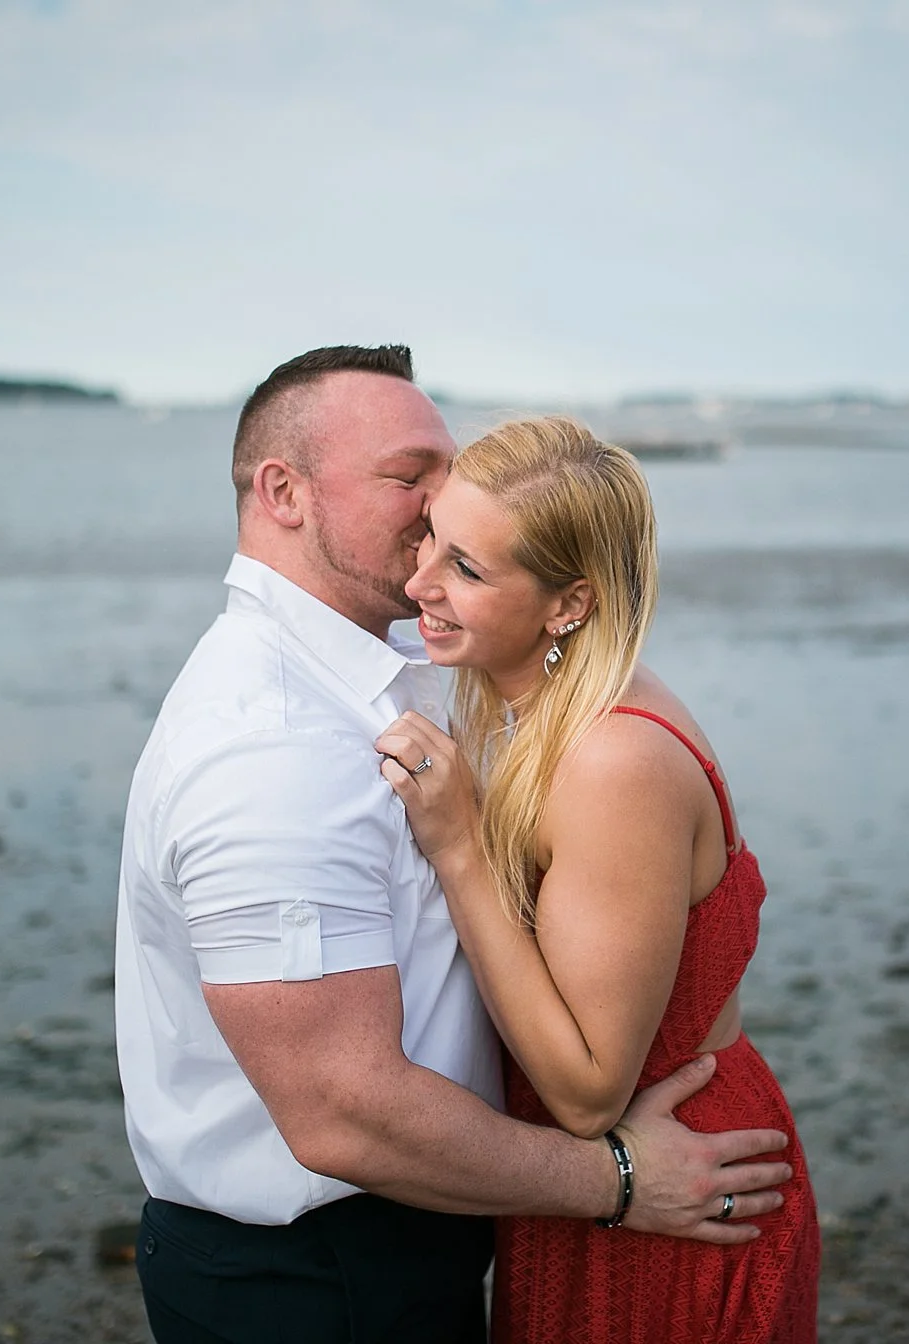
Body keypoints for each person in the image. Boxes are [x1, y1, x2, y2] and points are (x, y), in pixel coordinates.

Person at [114, 347, 795, 1344]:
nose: (437, 508)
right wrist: (612, 1180)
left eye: (449, 480)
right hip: (324, 1275)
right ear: (283, 492)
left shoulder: (421, 664)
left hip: (580, 1192)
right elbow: (342, 1112)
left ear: (567, 603)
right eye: (409, 478)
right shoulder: (273, 746)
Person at [373, 415, 819, 1342]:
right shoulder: (532, 699)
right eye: (430, 538)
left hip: (676, 1185)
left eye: (467, 569)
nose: (419, 583)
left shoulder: (612, 764)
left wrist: (459, 848)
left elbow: (587, 1094)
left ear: (568, 605)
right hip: (604, 1184)